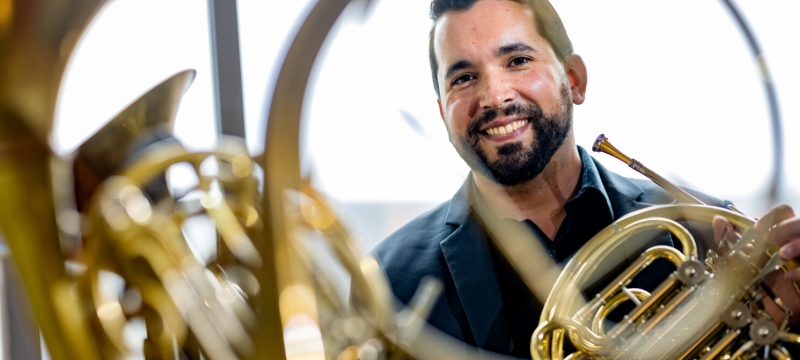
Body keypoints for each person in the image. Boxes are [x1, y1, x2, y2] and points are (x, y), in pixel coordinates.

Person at [371, 0, 800, 357]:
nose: (494, 95)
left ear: (573, 80)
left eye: (518, 60)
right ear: (444, 112)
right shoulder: (386, 283)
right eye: (464, 78)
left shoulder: (708, 231)